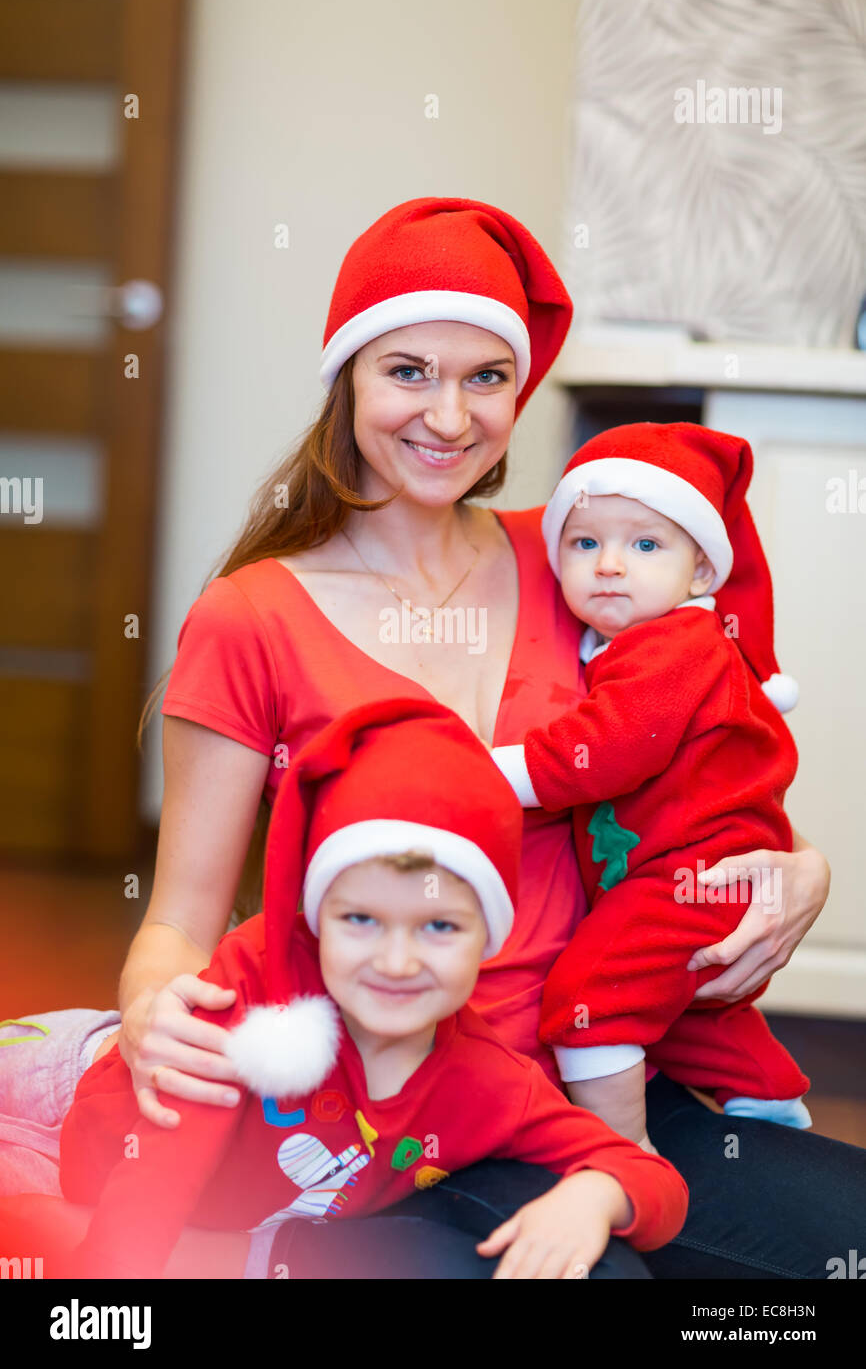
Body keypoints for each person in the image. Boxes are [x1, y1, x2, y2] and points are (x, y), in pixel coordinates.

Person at [0, 197, 857, 1281]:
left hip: (599, 1080)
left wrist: (803, 872)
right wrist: (151, 1006)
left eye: (485, 377)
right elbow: (178, 915)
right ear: (346, 376)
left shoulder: (578, 562)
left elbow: (707, 773)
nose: (448, 417)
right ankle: (301, 1242)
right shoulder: (252, 616)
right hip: (391, 1115)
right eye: (407, 370)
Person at [53, 698, 688, 1281]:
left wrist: (594, 1195)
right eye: (361, 920)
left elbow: (652, 1177)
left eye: (439, 926)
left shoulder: (487, 1083)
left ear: (488, 938)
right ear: (315, 920)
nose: (397, 961)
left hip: (232, 1236)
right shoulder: (256, 982)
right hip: (76, 1123)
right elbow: (159, 1175)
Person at [491, 420, 813, 1147]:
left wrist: (481, 771)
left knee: (592, 999)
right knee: (688, 1010)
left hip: (689, 875)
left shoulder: (676, 646)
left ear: (700, 574)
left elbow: (605, 753)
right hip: (693, 872)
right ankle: (768, 1108)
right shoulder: (626, 643)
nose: (609, 564)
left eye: (644, 545)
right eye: (585, 543)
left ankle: (619, 1161)